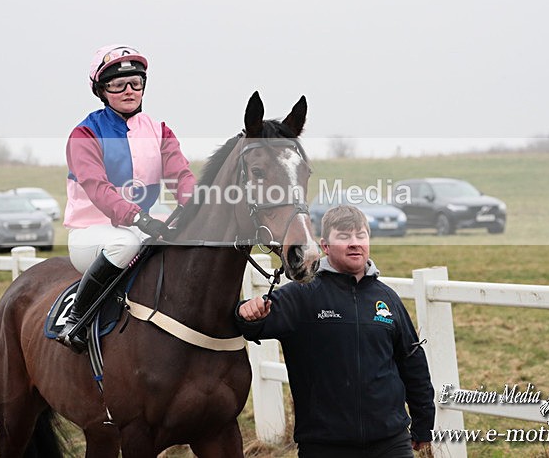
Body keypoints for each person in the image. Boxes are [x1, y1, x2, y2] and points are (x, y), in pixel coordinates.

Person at [236, 205, 435, 457]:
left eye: (360, 236)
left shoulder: (388, 299)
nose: (354, 243)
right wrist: (247, 313)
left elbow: (412, 362)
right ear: (324, 246)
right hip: (324, 445)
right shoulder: (302, 294)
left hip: (391, 441)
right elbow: (255, 323)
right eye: (343, 236)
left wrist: (423, 421)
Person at [57, 44, 196, 353]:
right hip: (91, 233)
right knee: (126, 244)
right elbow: (97, 187)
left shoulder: (160, 130)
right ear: (102, 90)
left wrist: (196, 203)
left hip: (139, 225)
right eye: (118, 85)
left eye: (136, 83)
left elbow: (181, 175)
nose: (129, 90)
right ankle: (76, 319)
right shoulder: (84, 134)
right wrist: (137, 217)